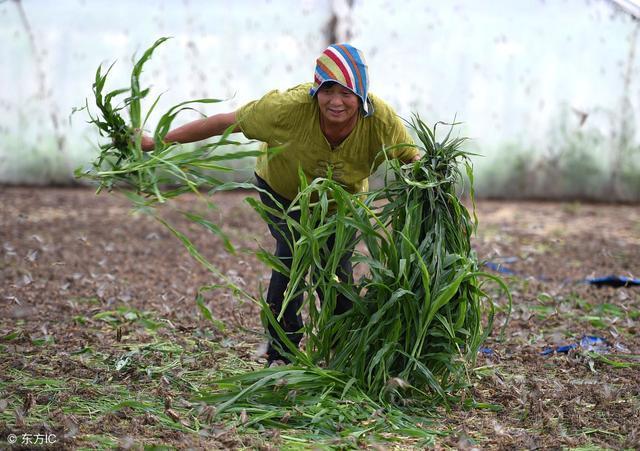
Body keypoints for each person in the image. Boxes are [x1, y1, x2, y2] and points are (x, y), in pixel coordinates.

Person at [141, 43, 419, 365]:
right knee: (291, 257)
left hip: (340, 202)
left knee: (336, 270)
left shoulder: (381, 119)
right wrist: (156, 142)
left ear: (361, 94)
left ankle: (343, 348)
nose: (336, 101)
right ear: (316, 89)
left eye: (346, 92)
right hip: (283, 190)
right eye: (327, 90)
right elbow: (224, 122)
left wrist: (429, 179)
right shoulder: (285, 109)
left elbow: (411, 156)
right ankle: (281, 354)